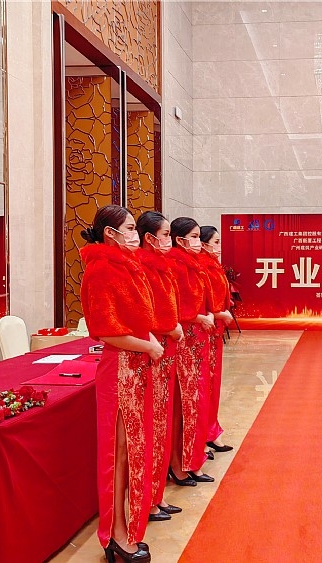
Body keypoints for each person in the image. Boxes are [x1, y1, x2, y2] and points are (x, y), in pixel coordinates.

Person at [80, 205, 163, 563]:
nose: (135, 234)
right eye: (129, 228)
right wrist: (149, 346)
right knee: (117, 455)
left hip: (135, 367)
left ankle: (125, 528)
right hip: (119, 370)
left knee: (130, 452)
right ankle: (114, 535)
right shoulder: (101, 270)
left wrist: (148, 342)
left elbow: (138, 320)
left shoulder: (127, 266)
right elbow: (106, 331)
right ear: (110, 234)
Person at [135, 211, 185, 521]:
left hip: (166, 349)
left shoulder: (162, 267)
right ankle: (150, 498)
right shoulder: (142, 269)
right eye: (165, 235)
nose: (169, 241)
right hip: (154, 351)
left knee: (162, 423)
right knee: (153, 426)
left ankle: (157, 494)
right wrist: (168, 327)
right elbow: (146, 314)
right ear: (149, 238)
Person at [165, 217, 216, 485]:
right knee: (185, 404)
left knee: (197, 401)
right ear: (180, 239)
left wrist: (208, 315)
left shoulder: (195, 264)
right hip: (184, 339)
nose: (198, 242)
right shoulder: (174, 265)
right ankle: (179, 463)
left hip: (198, 338)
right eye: (194, 237)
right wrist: (198, 318)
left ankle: (193, 459)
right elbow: (173, 307)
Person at [199, 226, 234, 453]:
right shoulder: (201, 267)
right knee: (204, 387)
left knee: (212, 385)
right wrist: (219, 314)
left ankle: (210, 431)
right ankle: (203, 435)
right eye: (216, 241)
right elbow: (201, 303)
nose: (219, 247)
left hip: (215, 331)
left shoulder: (213, 265)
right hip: (204, 331)